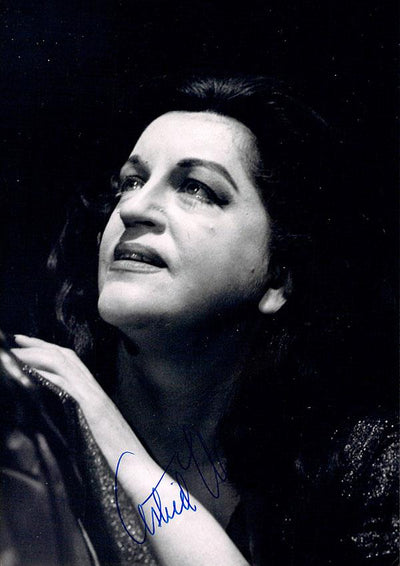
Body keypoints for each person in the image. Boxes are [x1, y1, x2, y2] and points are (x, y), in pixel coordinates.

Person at [4, 75, 398, 565]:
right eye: (131, 181)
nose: (135, 208)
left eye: (196, 188)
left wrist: (122, 452)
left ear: (278, 276)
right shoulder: (20, 413)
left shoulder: (364, 465)